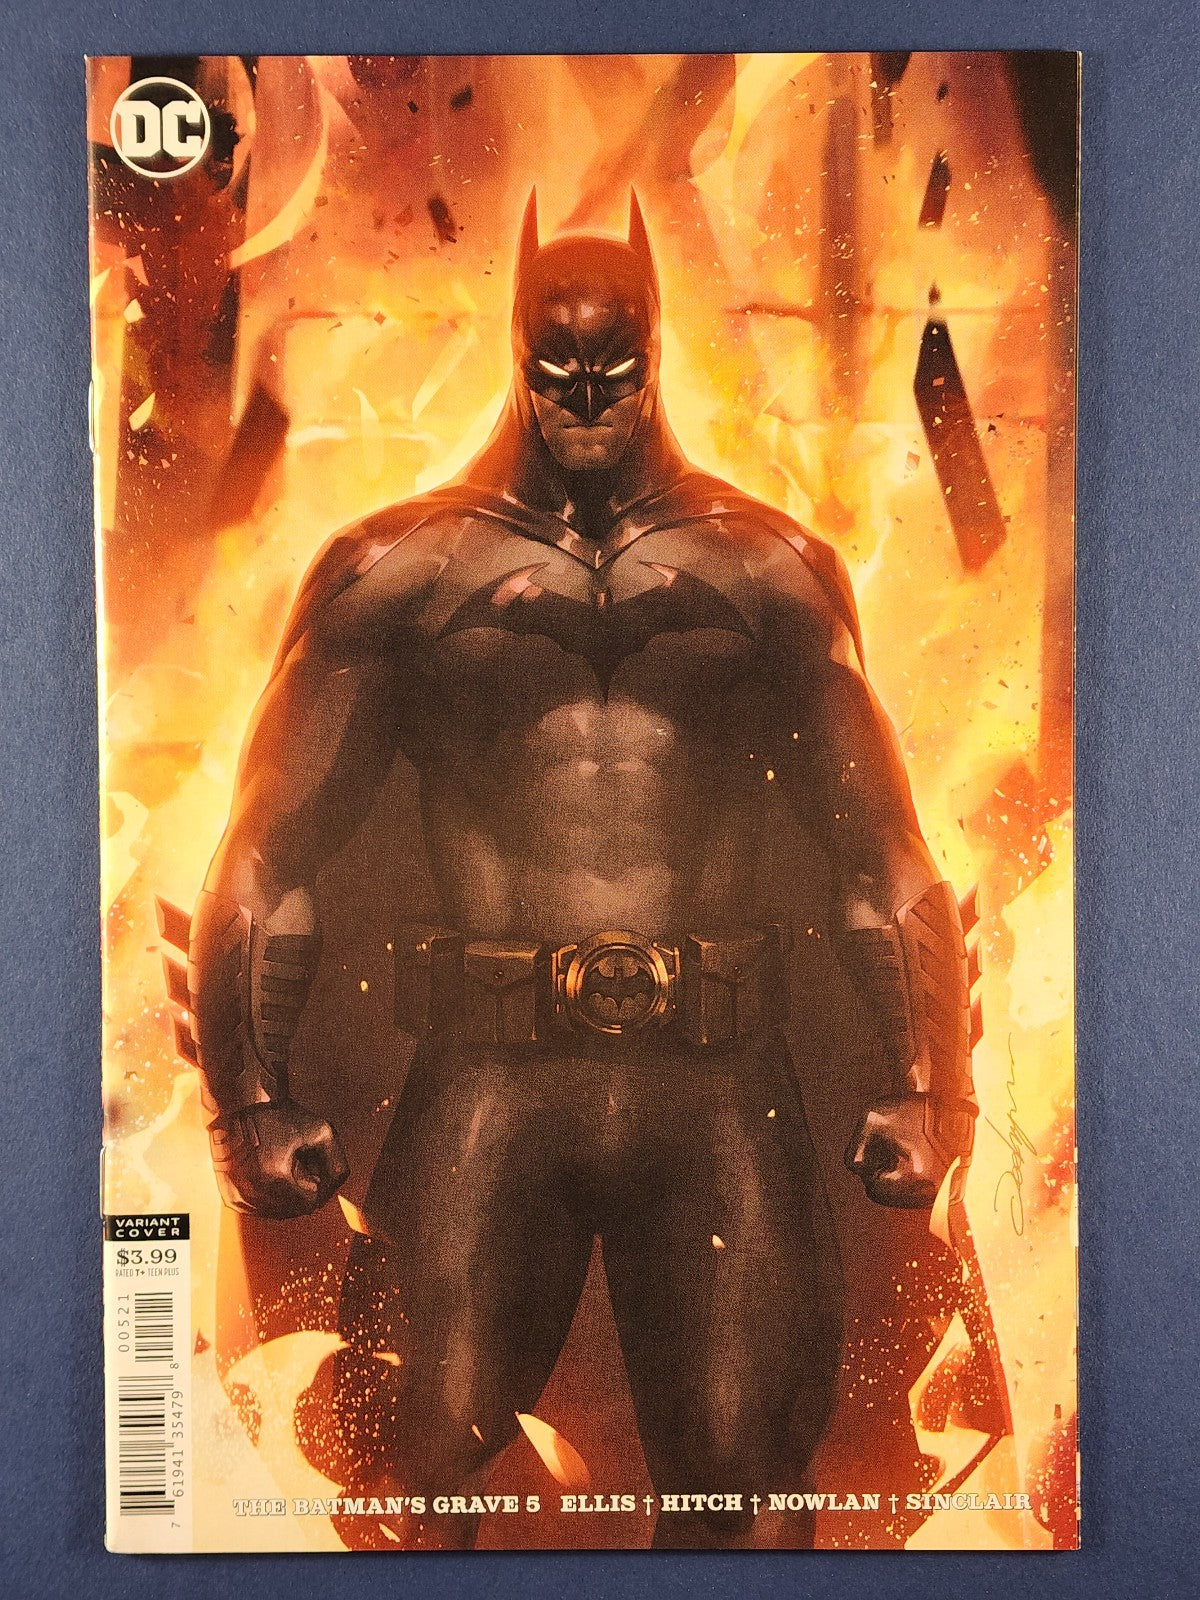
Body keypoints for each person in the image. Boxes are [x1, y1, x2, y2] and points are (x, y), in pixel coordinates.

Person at [187, 193, 978, 1549]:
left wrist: (932, 1087)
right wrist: (242, 1101)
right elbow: (268, 847)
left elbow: (882, 855)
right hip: (493, 1078)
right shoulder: (397, 571)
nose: (588, 399)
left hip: (716, 1081)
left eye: (615, 368)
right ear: (515, 351)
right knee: (416, 1486)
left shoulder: (770, 570)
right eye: (558, 370)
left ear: (656, 350)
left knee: (745, 1490)